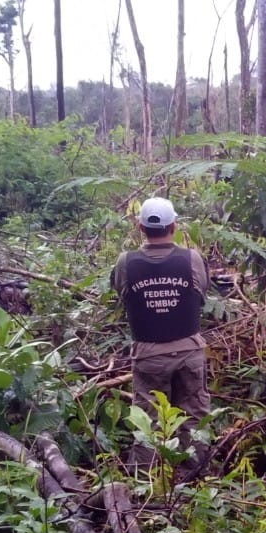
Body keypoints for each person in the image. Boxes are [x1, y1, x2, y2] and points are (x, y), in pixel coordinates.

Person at [110, 197, 210, 462]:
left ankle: (145, 486)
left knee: (148, 422)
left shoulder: (125, 262)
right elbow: (201, 294)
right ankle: (197, 478)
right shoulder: (192, 259)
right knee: (193, 419)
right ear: (174, 226)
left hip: (149, 355)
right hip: (189, 351)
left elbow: (121, 293)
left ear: (140, 228)